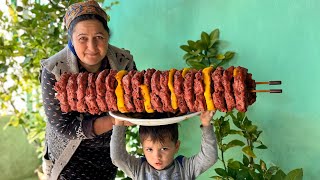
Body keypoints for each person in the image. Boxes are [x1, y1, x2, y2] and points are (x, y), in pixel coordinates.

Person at [40, 1, 137, 179]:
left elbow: (135, 103)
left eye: (99, 37)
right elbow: (64, 126)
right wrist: (115, 121)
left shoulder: (123, 61)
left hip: (108, 152)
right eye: (82, 38)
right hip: (69, 157)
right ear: (71, 38)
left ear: (108, 36)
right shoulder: (54, 70)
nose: (92, 47)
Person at [110, 111, 218, 179]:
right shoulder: (138, 169)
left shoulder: (185, 169)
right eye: (149, 149)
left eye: (164, 148)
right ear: (142, 147)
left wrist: (206, 124)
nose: (157, 156)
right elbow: (118, 157)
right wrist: (119, 123)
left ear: (176, 146)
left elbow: (209, 157)